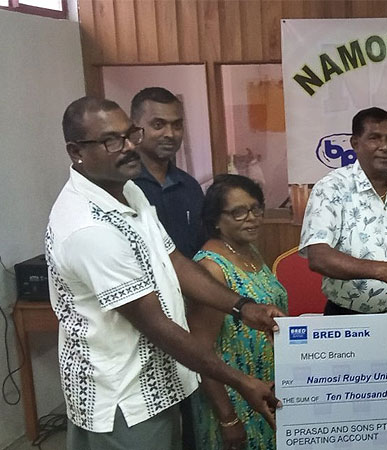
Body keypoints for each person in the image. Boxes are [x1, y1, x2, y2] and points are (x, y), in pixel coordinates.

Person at [48, 96, 282, 450]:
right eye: (112, 140)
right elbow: (156, 325)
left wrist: (242, 307)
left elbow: (173, 261)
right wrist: (241, 382)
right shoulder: (89, 228)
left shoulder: (127, 190)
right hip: (123, 400)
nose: (129, 147)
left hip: (158, 384)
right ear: (76, 151)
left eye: (130, 134)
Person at [299, 107, 387, 314]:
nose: (385, 147)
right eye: (374, 138)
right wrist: (383, 270)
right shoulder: (332, 188)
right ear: (355, 143)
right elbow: (319, 257)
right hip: (350, 318)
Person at [189, 175, 287, 450]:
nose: (252, 218)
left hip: (263, 388)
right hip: (233, 397)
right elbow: (200, 351)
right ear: (216, 220)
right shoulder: (211, 268)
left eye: (256, 208)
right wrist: (228, 418)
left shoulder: (249, 250)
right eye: (238, 212)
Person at [131, 87, 205, 258]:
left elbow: (202, 248)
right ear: (135, 128)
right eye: (158, 125)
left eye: (177, 125)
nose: (170, 134)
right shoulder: (123, 186)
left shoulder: (190, 187)